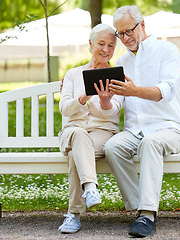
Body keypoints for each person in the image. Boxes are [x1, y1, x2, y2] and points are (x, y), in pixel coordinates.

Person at [104, 5, 180, 238]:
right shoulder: (121, 60)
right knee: (112, 147)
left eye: (129, 31)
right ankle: (139, 205)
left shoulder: (167, 50)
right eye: (120, 34)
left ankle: (148, 214)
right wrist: (104, 100)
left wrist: (134, 90)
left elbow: (166, 91)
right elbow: (118, 104)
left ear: (142, 25)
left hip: (169, 128)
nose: (125, 38)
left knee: (150, 142)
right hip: (134, 131)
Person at [58, 23, 123, 234]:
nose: (106, 50)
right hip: (72, 131)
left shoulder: (117, 76)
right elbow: (65, 109)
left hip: (102, 134)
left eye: (111, 46)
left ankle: (73, 215)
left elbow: (113, 112)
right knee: (78, 136)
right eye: (101, 44)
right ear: (90, 44)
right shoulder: (73, 74)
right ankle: (91, 188)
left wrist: (105, 102)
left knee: (76, 154)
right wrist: (84, 96)